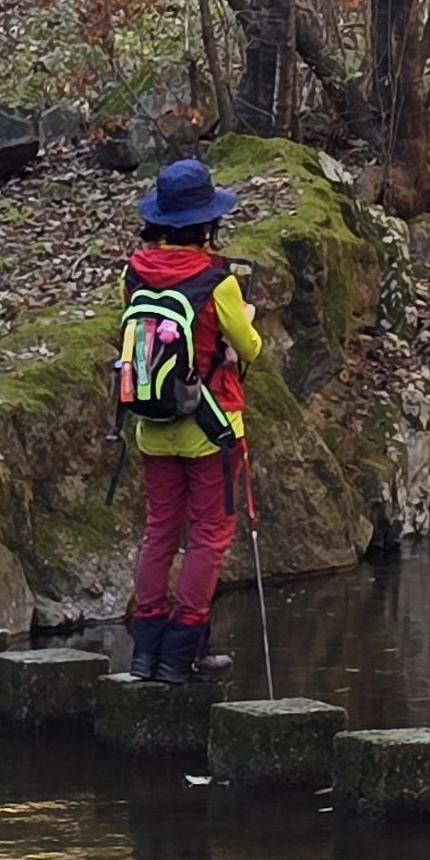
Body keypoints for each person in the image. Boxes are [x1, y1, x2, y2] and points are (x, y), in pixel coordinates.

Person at [117, 157, 264, 682]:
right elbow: (250, 348)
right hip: (212, 428)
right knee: (208, 535)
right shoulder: (217, 281)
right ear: (206, 224)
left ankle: (145, 652)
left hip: (151, 425)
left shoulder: (133, 272)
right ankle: (183, 654)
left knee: (159, 531)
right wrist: (243, 324)